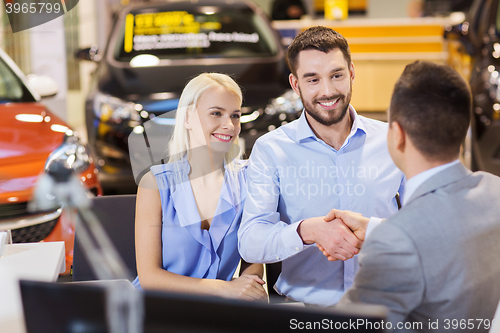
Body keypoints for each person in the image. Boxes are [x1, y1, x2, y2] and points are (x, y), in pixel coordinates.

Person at [238, 26, 405, 306]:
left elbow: (428, 225)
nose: (328, 91)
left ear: (351, 73)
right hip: (305, 315)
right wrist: (307, 231)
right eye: (313, 79)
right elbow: (251, 241)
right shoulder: (270, 150)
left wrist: (375, 231)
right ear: (295, 84)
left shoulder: (394, 141)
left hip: (387, 307)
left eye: (336, 75)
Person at [330, 61, 500, 331]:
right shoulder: (494, 191)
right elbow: (442, 232)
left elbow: (351, 326)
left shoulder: (395, 241)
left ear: (397, 135)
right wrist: (374, 228)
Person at [132, 73, 267, 302]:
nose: (229, 125)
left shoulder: (250, 180)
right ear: (187, 118)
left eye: (235, 116)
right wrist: (224, 289)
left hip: (220, 313)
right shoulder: (154, 184)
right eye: (216, 113)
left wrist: (249, 289)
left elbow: (254, 262)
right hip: (157, 310)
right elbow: (149, 277)